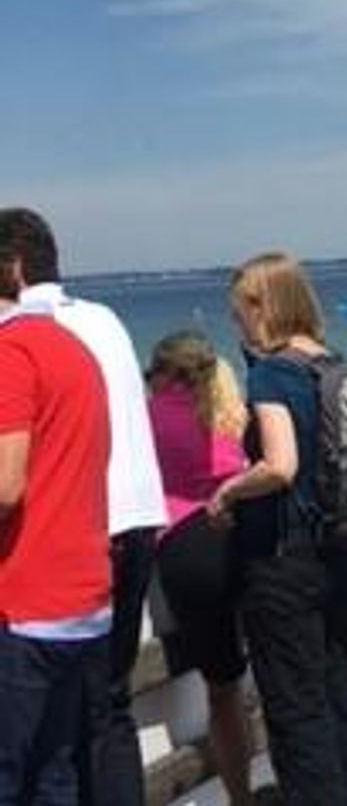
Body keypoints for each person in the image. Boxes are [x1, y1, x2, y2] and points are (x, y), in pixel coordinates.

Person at [0, 208, 167, 806]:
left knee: (35, 754)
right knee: (97, 721)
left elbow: (9, 479)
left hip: (53, 561)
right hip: (115, 543)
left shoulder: (19, 345)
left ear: (12, 268)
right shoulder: (97, 326)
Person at [214, 253, 347, 805]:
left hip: (283, 560)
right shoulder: (333, 362)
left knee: (295, 706)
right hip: (338, 548)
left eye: (240, 313)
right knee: (341, 692)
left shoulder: (271, 373)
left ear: (262, 306)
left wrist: (228, 491)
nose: (237, 324)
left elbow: (280, 465)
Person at [0, 261, 111, 803]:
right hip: (80, 598)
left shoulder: (10, 354)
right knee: (55, 772)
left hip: (24, 600)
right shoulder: (71, 347)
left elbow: (5, 485)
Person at [145, 332, 254, 802]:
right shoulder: (231, 410)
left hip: (185, 551)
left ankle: (240, 795)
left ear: (166, 372)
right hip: (243, 536)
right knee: (276, 673)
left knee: (222, 690)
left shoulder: (147, 417)